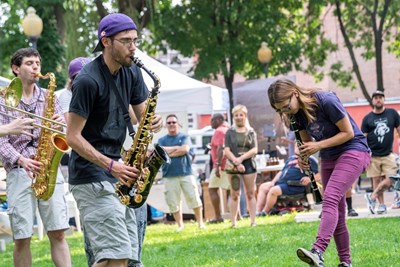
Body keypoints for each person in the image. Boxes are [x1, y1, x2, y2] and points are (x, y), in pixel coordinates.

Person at [66, 13, 162, 266]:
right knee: (117, 255)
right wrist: (110, 165)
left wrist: (152, 122)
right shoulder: (87, 80)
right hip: (91, 175)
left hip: (119, 174)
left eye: (135, 40)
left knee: (122, 257)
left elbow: (143, 119)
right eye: (126, 41)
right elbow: (72, 137)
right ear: (106, 41)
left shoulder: (131, 72)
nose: (133, 47)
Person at [268, 79, 370, 267]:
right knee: (337, 209)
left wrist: (318, 145)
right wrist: (303, 157)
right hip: (329, 155)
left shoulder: (325, 100)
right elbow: (307, 145)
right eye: (279, 110)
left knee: (330, 197)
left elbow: (348, 133)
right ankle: (345, 263)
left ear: (295, 93)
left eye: (285, 106)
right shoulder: (294, 115)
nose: (284, 112)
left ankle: (318, 251)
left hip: (354, 150)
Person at [0, 47, 71, 267]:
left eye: (37, 63)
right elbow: (0, 140)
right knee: (22, 237)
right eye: (29, 63)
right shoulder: (3, 100)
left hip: (49, 168)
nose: (35, 67)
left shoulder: (50, 96)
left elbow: (67, 131)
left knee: (58, 233)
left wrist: (61, 123)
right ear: (15, 69)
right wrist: (21, 160)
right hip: (20, 171)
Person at [158, 114, 205, 230]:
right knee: (173, 202)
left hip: (186, 173)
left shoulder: (184, 137)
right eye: (169, 123)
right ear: (165, 125)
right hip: (169, 175)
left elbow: (185, 150)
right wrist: (177, 149)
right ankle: (180, 225)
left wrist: (168, 151)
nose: (171, 124)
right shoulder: (161, 140)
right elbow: (160, 153)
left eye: (174, 122)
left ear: (178, 124)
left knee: (194, 197)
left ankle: (200, 223)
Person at [361, 90, 400, 214]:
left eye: (380, 97)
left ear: (384, 99)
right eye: (376, 98)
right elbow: (363, 137)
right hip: (373, 155)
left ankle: (372, 196)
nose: (378, 100)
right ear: (372, 101)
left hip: (388, 154)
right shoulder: (367, 118)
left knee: (393, 179)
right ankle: (381, 205)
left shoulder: (392, 114)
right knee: (376, 180)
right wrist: (364, 154)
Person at [224, 104, 258, 228]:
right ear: (233, 117)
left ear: (245, 116)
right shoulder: (229, 132)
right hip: (233, 166)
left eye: (241, 115)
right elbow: (226, 150)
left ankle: (253, 221)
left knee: (250, 193)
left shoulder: (251, 132)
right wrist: (236, 161)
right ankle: (233, 222)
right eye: (236, 115)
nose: (239, 117)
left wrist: (241, 159)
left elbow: (254, 149)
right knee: (235, 194)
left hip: (249, 164)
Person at [207, 113, 230, 224]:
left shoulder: (219, 131)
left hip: (222, 165)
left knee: (212, 189)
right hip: (229, 164)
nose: (210, 122)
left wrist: (217, 166)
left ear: (220, 119)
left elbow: (221, 148)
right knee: (231, 191)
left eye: (212, 120)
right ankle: (236, 215)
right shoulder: (228, 129)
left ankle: (218, 216)